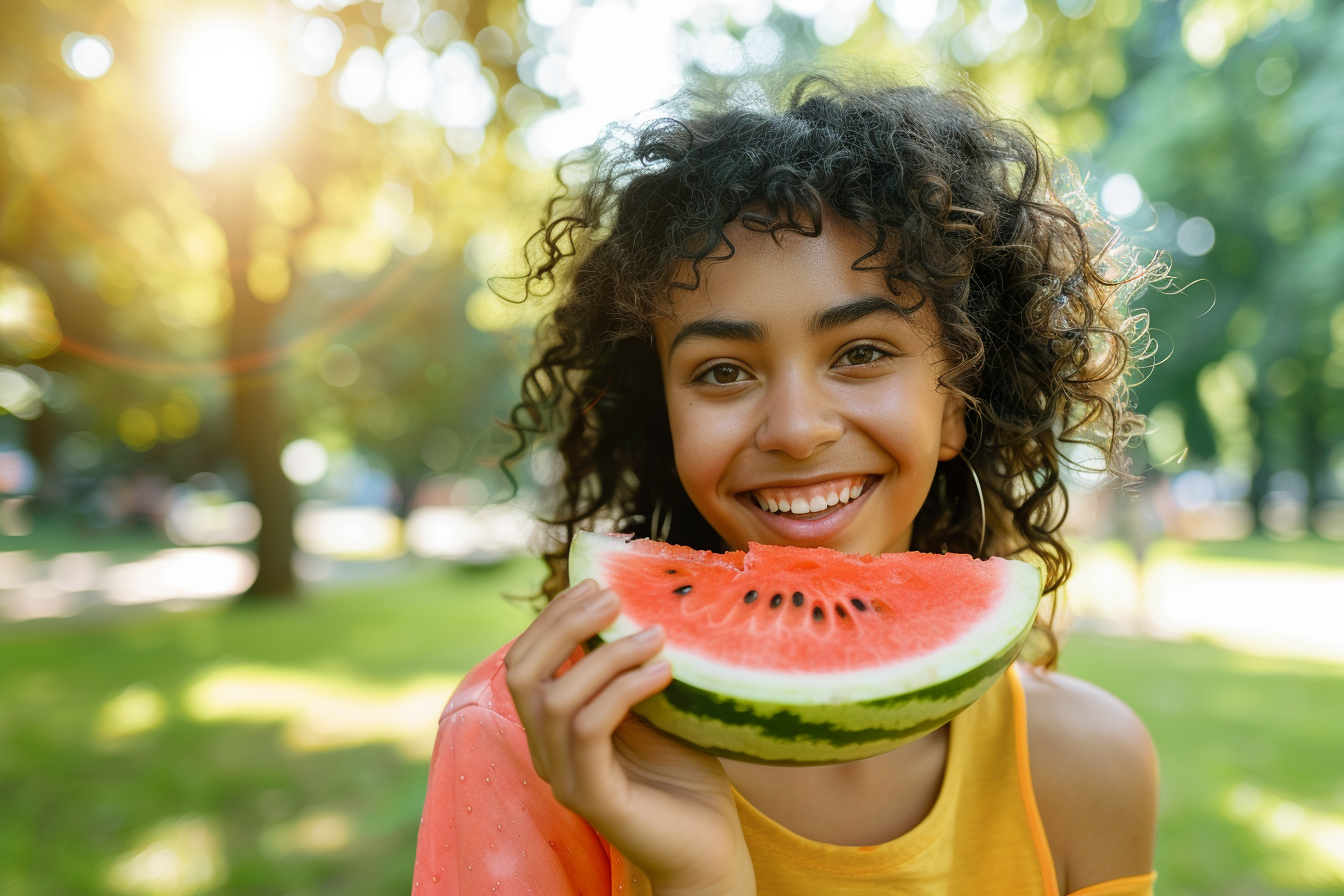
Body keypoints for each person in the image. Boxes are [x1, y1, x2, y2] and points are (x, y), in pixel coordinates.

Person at [413, 74, 1162, 895]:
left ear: (958, 404)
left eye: (863, 353)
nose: (797, 429)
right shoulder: (525, 741)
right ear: (660, 415)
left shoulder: (1087, 764)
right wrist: (699, 875)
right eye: (724, 371)